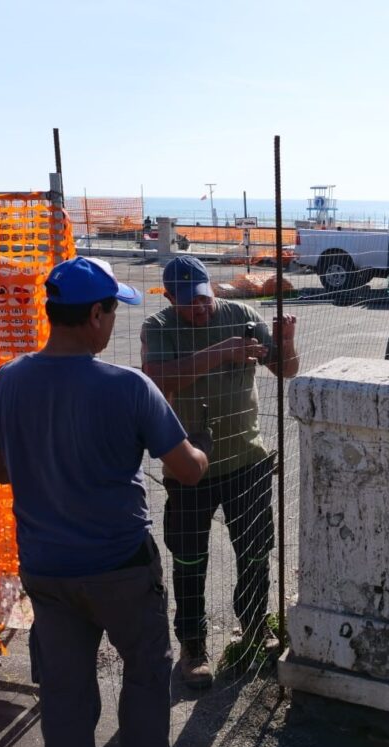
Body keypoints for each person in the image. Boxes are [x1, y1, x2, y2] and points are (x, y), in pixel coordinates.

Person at [0, 256, 210, 747]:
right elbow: (187, 470)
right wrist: (202, 452)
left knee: (64, 690)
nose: (113, 324)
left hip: (46, 570)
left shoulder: (6, 381)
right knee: (146, 675)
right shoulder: (128, 387)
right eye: (113, 313)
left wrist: (46, 460)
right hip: (120, 565)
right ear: (96, 316)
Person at [141, 255, 299, 690]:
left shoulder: (242, 315)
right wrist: (220, 352)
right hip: (189, 465)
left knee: (254, 550)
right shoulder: (158, 327)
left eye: (205, 297)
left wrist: (285, 342)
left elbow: (286, 370)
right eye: (189, 301)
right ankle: (193, 645)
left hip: (247, 459)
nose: (201, 308)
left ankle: (253, 626)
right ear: (170, 297)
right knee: (190, 558)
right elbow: (156, 380)